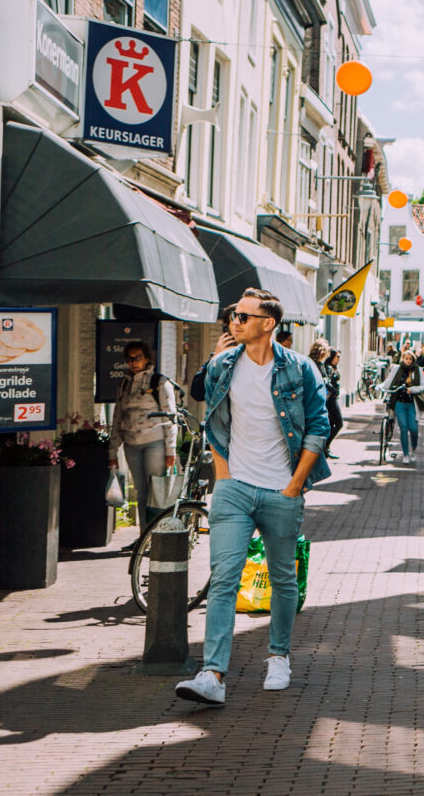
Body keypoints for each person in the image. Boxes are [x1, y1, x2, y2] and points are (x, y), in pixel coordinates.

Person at [173, 288, 330, 706]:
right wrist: (222, 472)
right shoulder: (224, 363)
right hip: (234, 489)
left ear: (268, 323)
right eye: (232, 315)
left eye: (243, 317)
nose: (234, 322)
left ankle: (278, 656)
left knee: (281, 578)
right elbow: (208, 411)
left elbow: (319, 426)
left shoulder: (300, 369)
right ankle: (213, 674)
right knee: (224, 579)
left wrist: (295, 484)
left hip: (282, 490)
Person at [114, 341, 176, 534]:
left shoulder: (159, 382)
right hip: (131, 444)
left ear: (147, 358)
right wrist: (112, 449)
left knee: (156, 491)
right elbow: (117, 416)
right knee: (141, 492)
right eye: (130, 359)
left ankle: (159, 534)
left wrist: (170, 450)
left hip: (154, 443)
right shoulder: (125, 384)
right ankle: (144, 535)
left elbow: (170, 417)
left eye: (138, 357)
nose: (134, 362)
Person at [385, 350, 424, 463]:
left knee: (413, 429)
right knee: (403, 428)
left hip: (412, 403)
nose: (408, 361)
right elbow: (388, 382)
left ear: (413, 360)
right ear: (403, 358)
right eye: (406, 358)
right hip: (399, 403)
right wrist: (380, 387)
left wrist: (412, 390)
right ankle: (406, 454)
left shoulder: (418, 370)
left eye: (410, 359)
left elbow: (423, 386)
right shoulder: (397, 369)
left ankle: (413, 449)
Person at [308, 340, 343, 459]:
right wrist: (333, 390)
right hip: (323, 399)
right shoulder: (320, 365)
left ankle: (322, 449)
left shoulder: (310, 362)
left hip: (315, 399)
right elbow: (324, 382)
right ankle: (321, 449)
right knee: (328, 424)